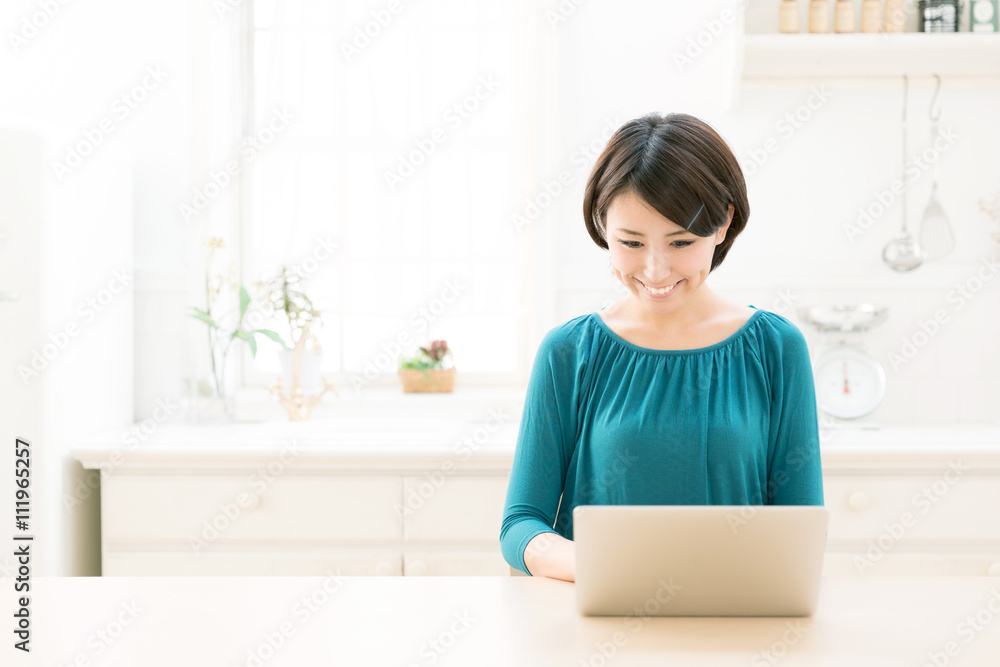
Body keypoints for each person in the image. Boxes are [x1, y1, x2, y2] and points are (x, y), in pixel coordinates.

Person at [499, 112, 825, 582]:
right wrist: (603, 567)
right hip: (602, 627)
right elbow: (520, 525)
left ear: (723, 223)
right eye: (630, 242)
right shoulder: (569, 352)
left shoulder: (776, 348)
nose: (654, 271)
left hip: (735, 625)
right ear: (602, 228)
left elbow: (799, 530)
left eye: (681, 242)